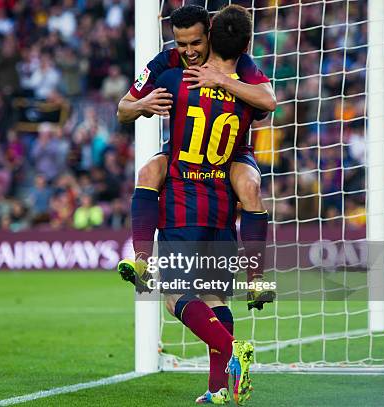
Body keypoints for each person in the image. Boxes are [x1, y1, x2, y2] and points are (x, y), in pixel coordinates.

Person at [122, 6, 265, 404]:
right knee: (215, 298)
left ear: (211, 33)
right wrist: (143, 103)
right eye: (181, 44)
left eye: (196, 42)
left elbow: (124, 113)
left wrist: (145, 104)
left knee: (174, 297)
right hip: (223, 198)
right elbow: (268, 102)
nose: (188, 51)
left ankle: (233, 347)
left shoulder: (179, 75)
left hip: (186, 198)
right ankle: (218, 390)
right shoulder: (235, 77)